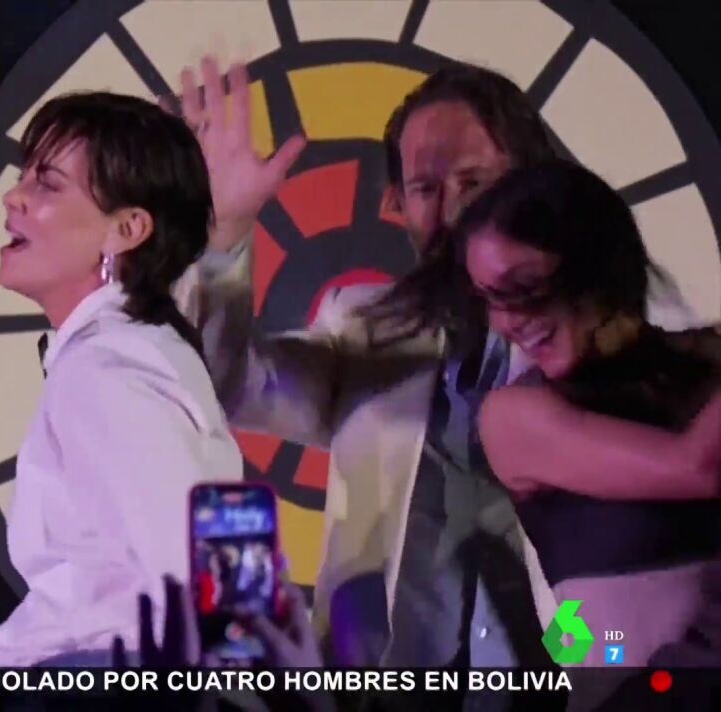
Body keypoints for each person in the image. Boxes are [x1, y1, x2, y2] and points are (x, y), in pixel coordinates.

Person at [172, 53, 699, 677]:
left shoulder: (626, 329)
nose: (453, 211)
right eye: (426, 188)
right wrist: (224, 238)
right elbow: (223, 382)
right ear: (397, 202)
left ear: (532, 180)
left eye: (474, 181)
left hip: (586, 678)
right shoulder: (365, 330)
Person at [0, 91, 244, 668]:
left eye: (47, 184)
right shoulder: (130, 351)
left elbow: (193, 579)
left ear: (127, 228)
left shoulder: (106, 368)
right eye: (24, 176)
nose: (13, 197)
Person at [443, 162, 721, 699]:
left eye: (522, 288)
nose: (506, 320)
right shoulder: (516, 416)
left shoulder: (703, 362)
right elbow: (697, 466)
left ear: (594, 260)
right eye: (489, 298)